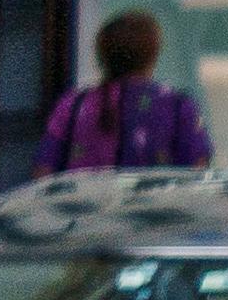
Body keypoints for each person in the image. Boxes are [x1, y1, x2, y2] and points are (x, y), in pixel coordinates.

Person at [38, 10, 215, 177]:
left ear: (102, 55)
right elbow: (197, 172)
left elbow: (44, 172)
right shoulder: (178, 107)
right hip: (154, 209)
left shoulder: (73, 106)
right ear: (153, 54)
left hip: (84, 209)